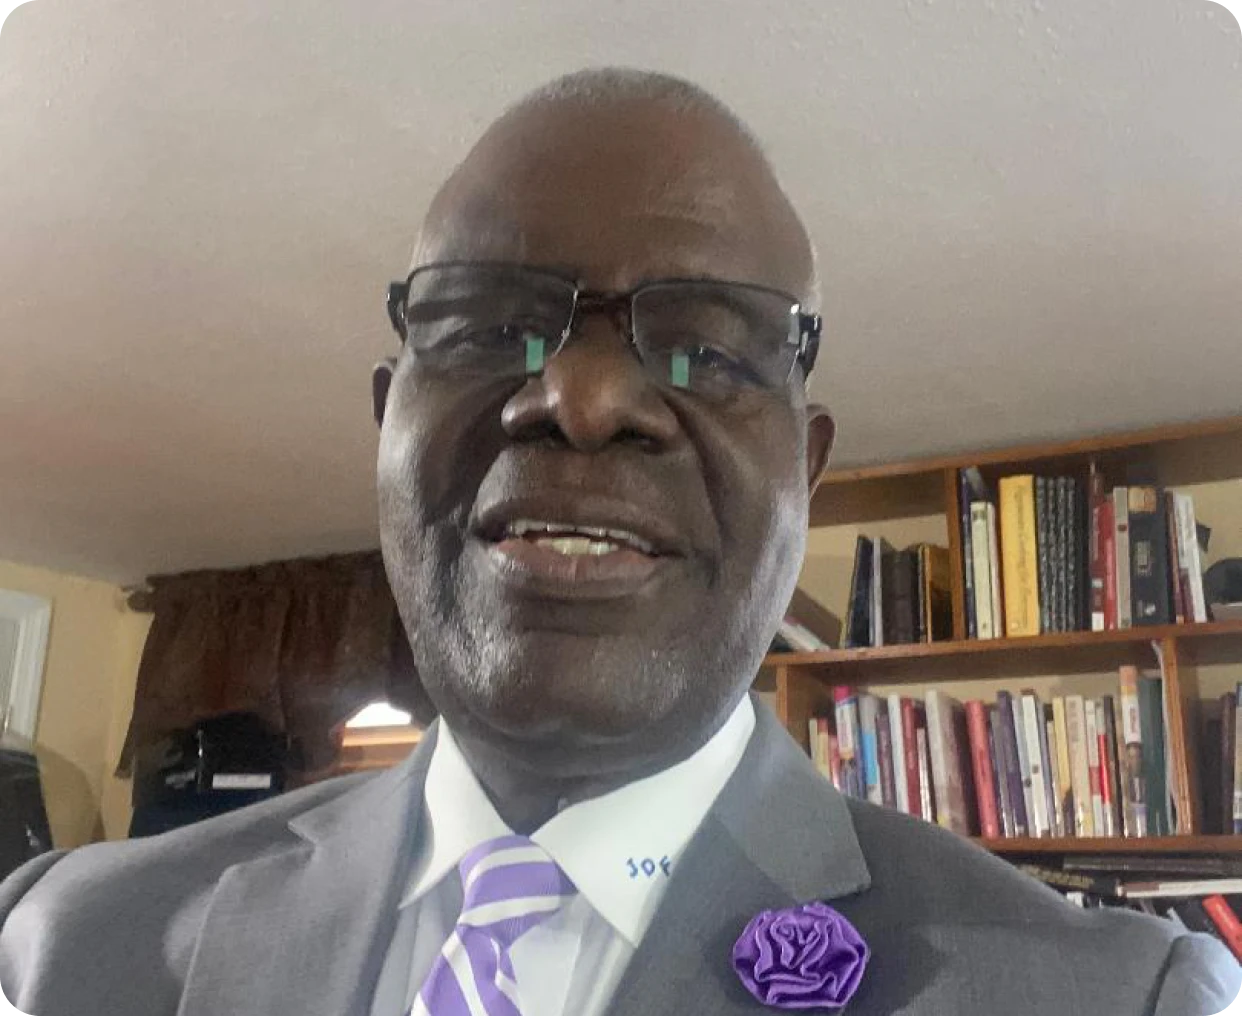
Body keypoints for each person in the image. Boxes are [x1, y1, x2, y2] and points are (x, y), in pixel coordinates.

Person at [1, 68, 1238, 1016]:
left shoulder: (1109, 998)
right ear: (388, 425)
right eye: (489, 328)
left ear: (802, 474)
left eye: (707, 349)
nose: (583, 399)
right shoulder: (58, 944)